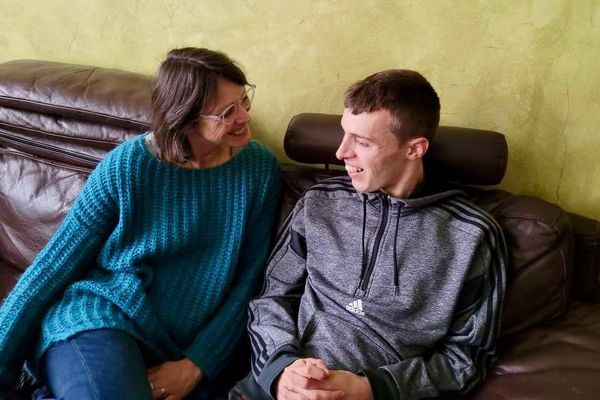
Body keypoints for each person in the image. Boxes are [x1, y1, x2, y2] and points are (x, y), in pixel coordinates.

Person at [0, 47, 281, 400]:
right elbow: (54, 265)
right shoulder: (128, 166)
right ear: (185, 117)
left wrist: (198, 364)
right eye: (227, 112)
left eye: (244, 100)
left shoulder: (259, 170)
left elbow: (249, 281)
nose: (244, 117)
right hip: (100, 318)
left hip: (176, 344)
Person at [231, 70, 507, 400]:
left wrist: (370, 388)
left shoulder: (472, 236)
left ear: (414, 149)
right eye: (344, 134)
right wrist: (282, 370)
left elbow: (468, 358)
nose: (340, 153)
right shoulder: (319, 202)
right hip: (282, 385)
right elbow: (271, 297)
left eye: (362, 142)